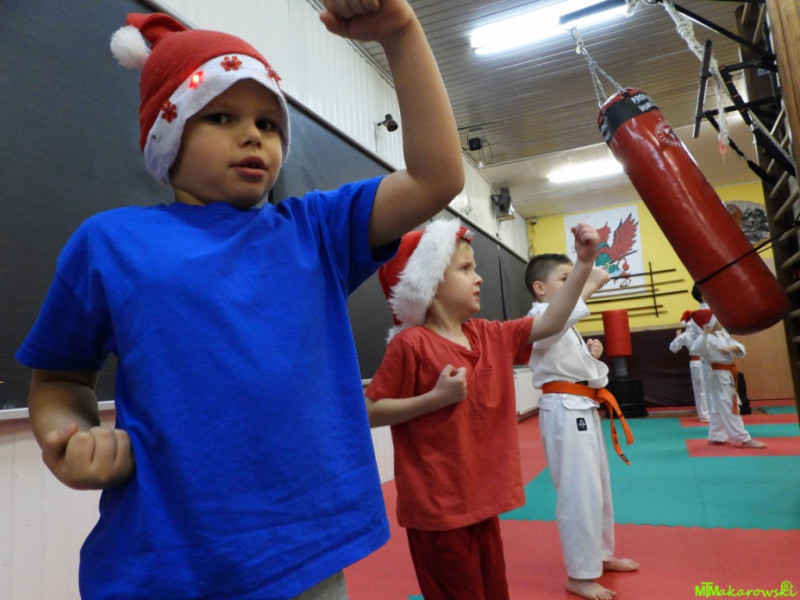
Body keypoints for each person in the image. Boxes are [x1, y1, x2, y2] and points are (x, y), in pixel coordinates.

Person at [15, 2, 464, 598]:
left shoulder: (317, 231)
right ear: (168, 135)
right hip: (167, 559)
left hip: (305, 553)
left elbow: (437, 178)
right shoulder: (109, 243)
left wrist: (401, 33)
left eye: (269, 123)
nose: (253, 134)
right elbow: (59, 379)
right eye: (221, 116)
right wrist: (71, 438)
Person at [364, 218, 601, 600]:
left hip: (481, 503)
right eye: (465, 268)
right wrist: (434, 399)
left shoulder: (490, 334)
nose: (479, 278)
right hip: (439, 512)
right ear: (429, 281)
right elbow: (368, 411)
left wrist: (585, 264)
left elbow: (552, 320)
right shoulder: (411, 344)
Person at [524, 253, 638, 600]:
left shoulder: (563, 320)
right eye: (565, 278)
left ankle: (600, 556)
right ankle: (580, 574)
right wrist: (588, 283)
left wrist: (591, 356)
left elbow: (569, 360)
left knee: (598, 487)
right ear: (540, 287)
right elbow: (556, 323)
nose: (572, 284)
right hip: (564, 408)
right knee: (579, 493)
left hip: (582, 405)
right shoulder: (537, 317)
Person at [688, 310, 767, 449]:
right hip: (718, 376)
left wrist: (732, 348)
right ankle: (743, 438)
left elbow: (740, 347)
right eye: (717, 319)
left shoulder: (722, 334)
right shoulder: (705, 339)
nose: (721, 322)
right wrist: (704, 334)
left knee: (718, 406)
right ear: (709, 324)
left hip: (727, 373)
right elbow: (695, 349)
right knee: (729, 406)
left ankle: (716, 435)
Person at [669, 285, 711, 422]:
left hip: (698, 360)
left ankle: (704, 414)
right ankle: (714, 414)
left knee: (701, 390)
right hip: (712, 359)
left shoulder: (690, 321)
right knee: (713, 388)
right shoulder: (715, 315)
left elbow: (673, 347)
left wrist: (678, 336)